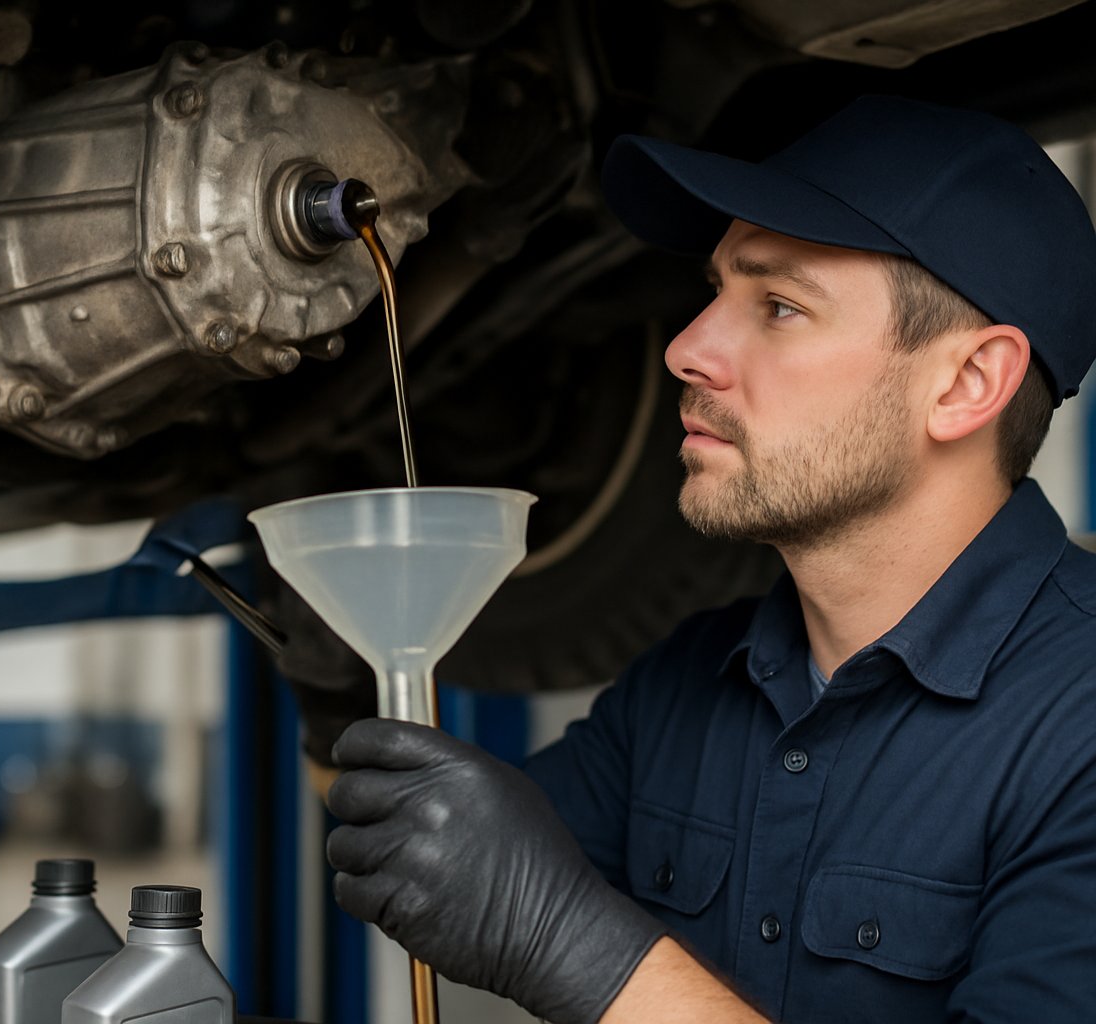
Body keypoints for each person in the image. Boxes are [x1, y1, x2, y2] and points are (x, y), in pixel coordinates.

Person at [322, 95, 1096, 1023]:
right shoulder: (688, 685)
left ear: (966, 383)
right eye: (715, 292)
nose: (687, 349)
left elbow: (533, 910)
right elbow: (435, 856)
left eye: (778, 305)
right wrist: (344, 666)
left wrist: (571, 943)